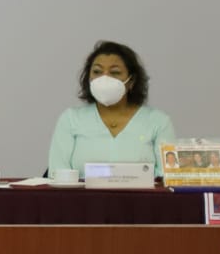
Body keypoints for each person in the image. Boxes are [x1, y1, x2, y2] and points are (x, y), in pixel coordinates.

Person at [47, 41, 175, 177]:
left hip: (143, 192)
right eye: (97, 72)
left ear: (131, 81)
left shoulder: (158, 121)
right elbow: (57, 173)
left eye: (115, 72)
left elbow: (169, 175)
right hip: (82, 192)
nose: (104, 78)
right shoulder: (71, 119)